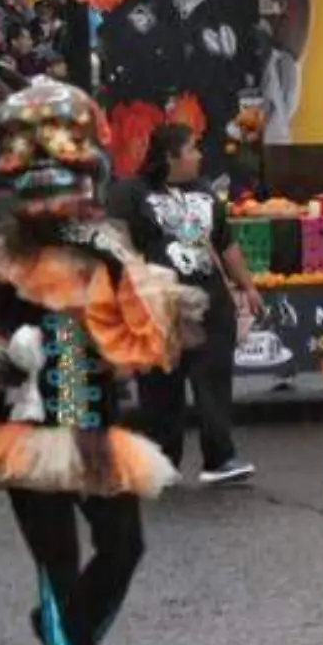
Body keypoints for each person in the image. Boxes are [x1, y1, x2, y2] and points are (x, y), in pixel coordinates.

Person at [0, 81, 200, 645]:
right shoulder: (1, 263)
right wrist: (1, 357)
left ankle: (64, 635)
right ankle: (67, 644)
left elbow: (145, 333)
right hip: (26, 435)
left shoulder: (106, 250)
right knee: (58, 567)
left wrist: (135, 315)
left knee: (124, 547)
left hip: (94, 429)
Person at [110, 122, 263, 486]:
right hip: (159, 305)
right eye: (192, 148)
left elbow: (225, 243)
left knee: (214, 380)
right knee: (161, 386)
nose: (199, 155)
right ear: (170, 156)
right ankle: (163, 462)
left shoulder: (205, 192)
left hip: (210, 302)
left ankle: (220, 459)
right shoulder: (131, 193)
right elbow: (118, 241)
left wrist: (248, 286)